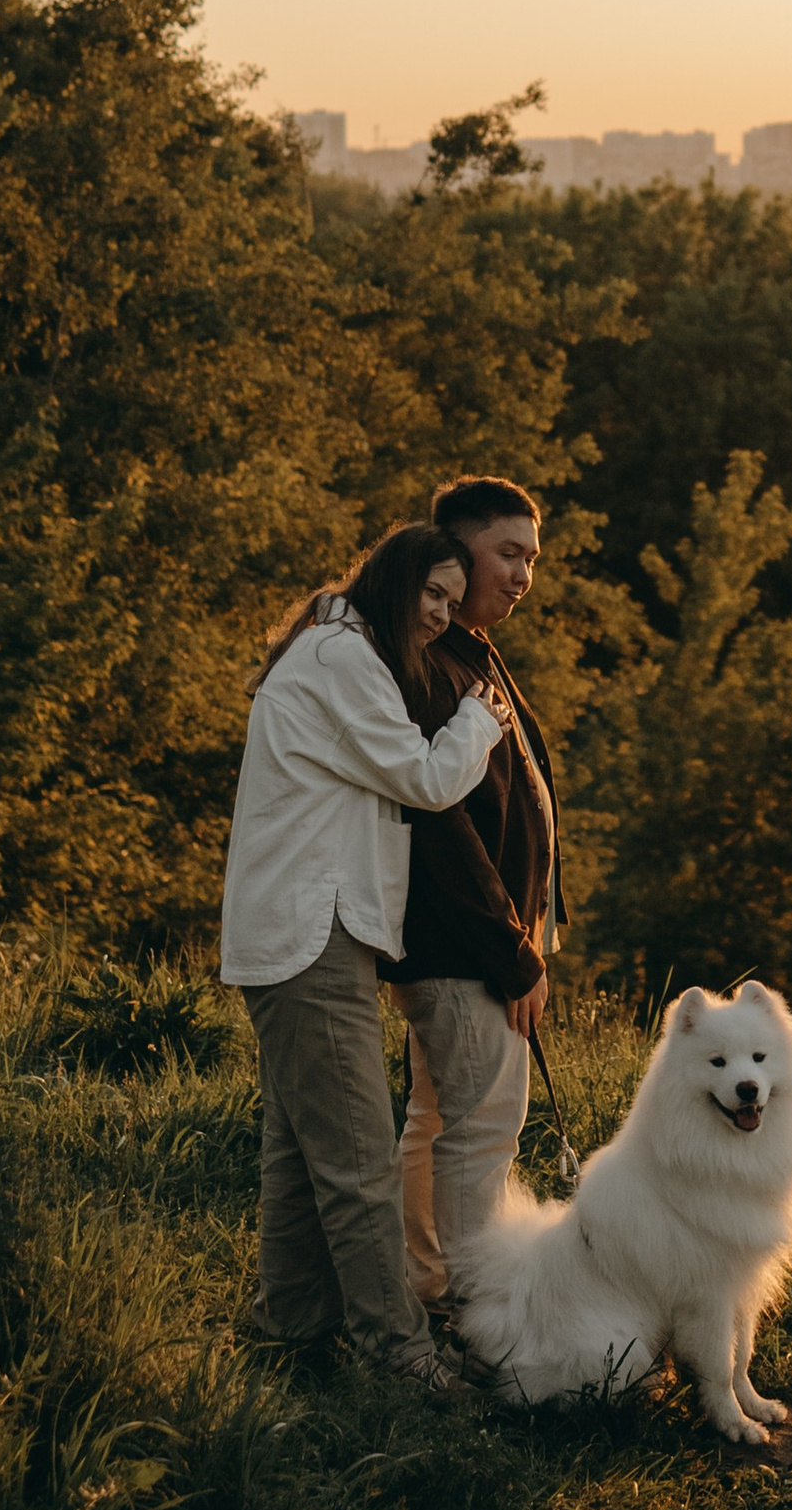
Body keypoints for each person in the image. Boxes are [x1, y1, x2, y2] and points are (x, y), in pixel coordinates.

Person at [220, 520, 506, 1388]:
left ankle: (289, 1335)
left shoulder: (329, 648)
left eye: (452, 603)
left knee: (301, 1156)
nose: (439, 616)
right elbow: (423, 777)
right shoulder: (344, 657)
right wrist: (477, 719)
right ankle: (400, 1353)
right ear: (392, 578)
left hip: (299, 932)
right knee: (357, 1159)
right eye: (431, 594)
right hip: (314, 934)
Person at [389, 473, 567, 1328]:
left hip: (482, 943)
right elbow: (443, 827)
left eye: (532, 557)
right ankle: (473, 1312)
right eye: (508, 552)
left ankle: (424, 1287)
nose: (524, 573)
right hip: (466, 949)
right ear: (454, 550)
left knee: (437, 1120)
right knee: (483, 1129)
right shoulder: (433, 661)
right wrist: (512, 948)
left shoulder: (474, 654)